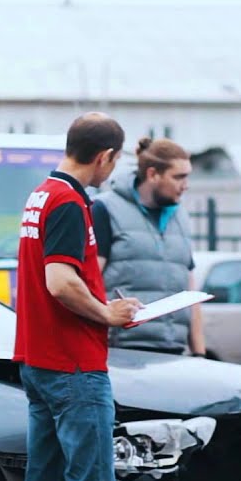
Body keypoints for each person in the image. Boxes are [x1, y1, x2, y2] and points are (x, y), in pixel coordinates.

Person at [12, 112, 163, 481]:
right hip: (74, 368)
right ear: (104, 157)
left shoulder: (39, 196)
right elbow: (59, 280)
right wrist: (108, 314)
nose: (113, 169)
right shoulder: (71, 204)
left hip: (37, 362)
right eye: (115, 160)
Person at [91, 137, 205, 356]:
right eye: (179, 177)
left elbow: (190, 288)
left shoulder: (180, 215)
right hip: (121, 350)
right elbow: (89, 280)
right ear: (153, 174)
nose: (186, 185)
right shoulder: (105, 209)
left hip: (173, 350)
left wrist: (199, 352)